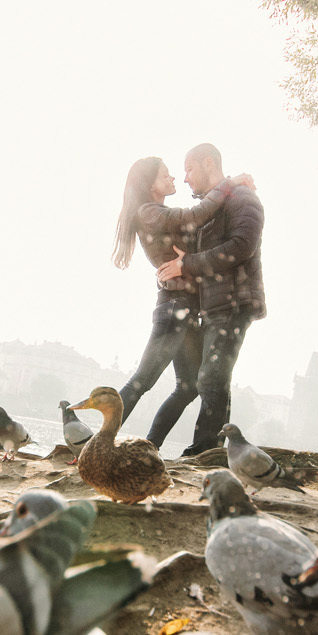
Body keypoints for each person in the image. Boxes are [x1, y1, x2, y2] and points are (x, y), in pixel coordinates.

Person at [110, 155, 253, 446]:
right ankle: (96, 443)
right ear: (150, 184)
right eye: (166, 175)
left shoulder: (155, 211)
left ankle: (150, 445)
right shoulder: (148, 211)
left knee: (189, 387)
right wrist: (230, 183)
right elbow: (195, 215)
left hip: (184, 309)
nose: (174, 178)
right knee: (142, 380)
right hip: (174, 307)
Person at [155, 142, 264, 456]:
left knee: (211, 376)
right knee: (214, 376)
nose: (185, 178)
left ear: (207, 163)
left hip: (235, 300)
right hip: (215, 303)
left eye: (189, 169)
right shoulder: (213, 206)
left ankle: (206, 450)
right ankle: (213, 450)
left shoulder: (243, 198)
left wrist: (187, 264)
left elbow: (243, 245)